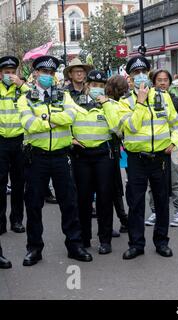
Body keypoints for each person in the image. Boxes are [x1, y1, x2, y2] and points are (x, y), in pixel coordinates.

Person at [17, 55, 92, 266]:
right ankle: (34, 248)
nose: (47, 76)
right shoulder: (26, 98)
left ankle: (75, 245)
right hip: (37, 158)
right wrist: (52, 121)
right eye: (44, 72)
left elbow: (71, 117)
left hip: (61, 156)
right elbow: (28, 124)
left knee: (69, 203)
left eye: (51, 73)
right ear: (35, 74)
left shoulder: (63, 95)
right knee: (33, 205)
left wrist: (44, 118)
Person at [106, 57, 178, 260]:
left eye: (143, 72)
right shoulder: (124, 103)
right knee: (136, 203)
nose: (140, 76)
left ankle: (162, 242)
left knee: (162, 202)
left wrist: (175, 141)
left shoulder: (164, 97)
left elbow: (175, 123)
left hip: (160, 158)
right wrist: (139, 102)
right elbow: (130, 127)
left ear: (148, 74)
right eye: (135, 73)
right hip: (137, 159)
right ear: (129, 78)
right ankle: (136, 244)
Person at [71, 70, 119, 254]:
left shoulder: (111, 104)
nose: (97, 89)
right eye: (93, 85)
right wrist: (70, 140)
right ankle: (84, 238)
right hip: (81, 156)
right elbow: (66, 124)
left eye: (101, 86)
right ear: (87, 85)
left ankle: (105, 239)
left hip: (102, 156)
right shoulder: (74, 104)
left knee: (105, 198)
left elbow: (117, 128)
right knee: (83, 199)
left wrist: (106, 105)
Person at [146, 69, 178, 227]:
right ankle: (155, 211)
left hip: (174, 147)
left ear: (170, 83)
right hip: (154, 148)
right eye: (159, 80)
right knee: (153, 183)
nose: (162, 83)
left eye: (165, 80)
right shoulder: (147, 99)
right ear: (154, 82)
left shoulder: (176, 101)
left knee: (174, 181)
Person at [0, 56, 29, 235]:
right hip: (1, 141)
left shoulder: (23, 89)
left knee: (19, 184)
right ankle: (0, 222)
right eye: (6, 73)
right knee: (0, 184)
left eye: (12, 72)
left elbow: (37, 99)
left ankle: (17, 220)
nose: (9, 75)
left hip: (19, 141)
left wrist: (21, 84)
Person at [105, 75, 129, 234]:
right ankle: (123, 220)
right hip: (110, 148)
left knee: (111, 188)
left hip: (109, 149)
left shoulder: (107, 102)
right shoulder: (114, 104)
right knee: (113, 188)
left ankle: (122, 220)